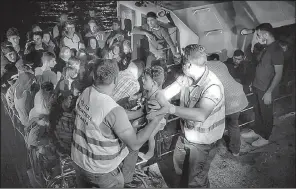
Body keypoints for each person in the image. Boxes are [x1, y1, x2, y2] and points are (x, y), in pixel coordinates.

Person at [71, 59, 164, 188]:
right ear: (116, 79)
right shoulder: (113, 110)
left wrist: (141, 111)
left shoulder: (87, 92)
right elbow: (135, 144)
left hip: (78, 160)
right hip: (99, 170)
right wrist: (157, 118)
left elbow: (108, 116)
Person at [148, 44, 225, 188]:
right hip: (186, 135)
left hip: (204, 143)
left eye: (182, 61)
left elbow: (201, 114)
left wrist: (170, 108)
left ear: (188, 64)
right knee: (180, 168)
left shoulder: (212, 86)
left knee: (196, 180)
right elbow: (166, 93)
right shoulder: (187, 77)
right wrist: (155, 99)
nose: (180, 63)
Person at [242, 23, 284, 147]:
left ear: (266, 34)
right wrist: (253, 83)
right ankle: (257, 131)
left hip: (266, 89)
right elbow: (262, 67)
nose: (257, 37)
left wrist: (269, 92)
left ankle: (265, 137)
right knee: (258, 111)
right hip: (258, 86)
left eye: (259, 35)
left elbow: (278, 74)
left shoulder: (276, 50)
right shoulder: (268, 46)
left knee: (266, 113)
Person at [206, 60, 249, 156]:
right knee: (233, 124)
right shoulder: (220, 63)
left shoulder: (202, 69)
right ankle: (235, 151)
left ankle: (210, 151)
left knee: (212, 126)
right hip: (236, 95)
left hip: (224, 98)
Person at [134, 66, 168, 161]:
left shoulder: (158, 95)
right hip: (148, 117)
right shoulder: (147, 91)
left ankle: (150, 154)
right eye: (143, 78)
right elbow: (143, 96)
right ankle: (134, 145)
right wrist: (137, 98)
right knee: (135, 125)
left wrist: (155, 114)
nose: (142, 80)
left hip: (158, 121)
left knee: (150, 135)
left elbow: (166, 107)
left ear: (154, 83)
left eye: (145, 79)